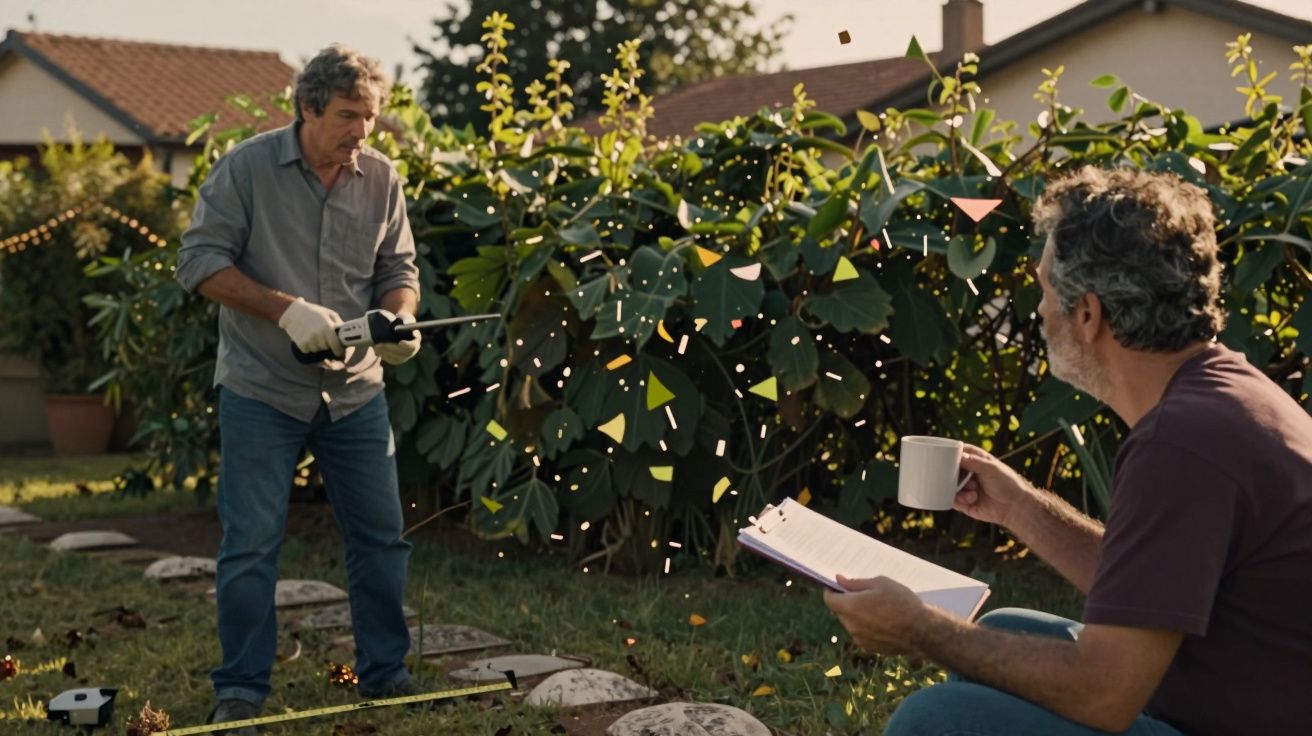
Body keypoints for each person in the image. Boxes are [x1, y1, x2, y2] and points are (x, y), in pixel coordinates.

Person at [824, 166, 1312, 735]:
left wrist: (920, 629)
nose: (1039, 310)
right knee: (1007, 629)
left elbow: (1104, 693)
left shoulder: (1181, 444)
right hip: (1240, 695)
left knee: (934, 720)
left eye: (1045, 290)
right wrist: (1019, 507)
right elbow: (1158, 582)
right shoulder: (1224, 393)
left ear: (1087, 314)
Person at [176, 45, 424, 733]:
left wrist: (399, 319)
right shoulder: (247, 169)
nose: (362, 131)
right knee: (252, 545)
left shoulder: (381, 179)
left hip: (355, 392)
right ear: (308, 109)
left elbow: (398, 271)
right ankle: (241, 688)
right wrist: (285, 309)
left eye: (370, 117)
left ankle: (386, 672)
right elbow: (198, 262)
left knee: (381, 538)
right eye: (348, 116)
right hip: (263, 388)